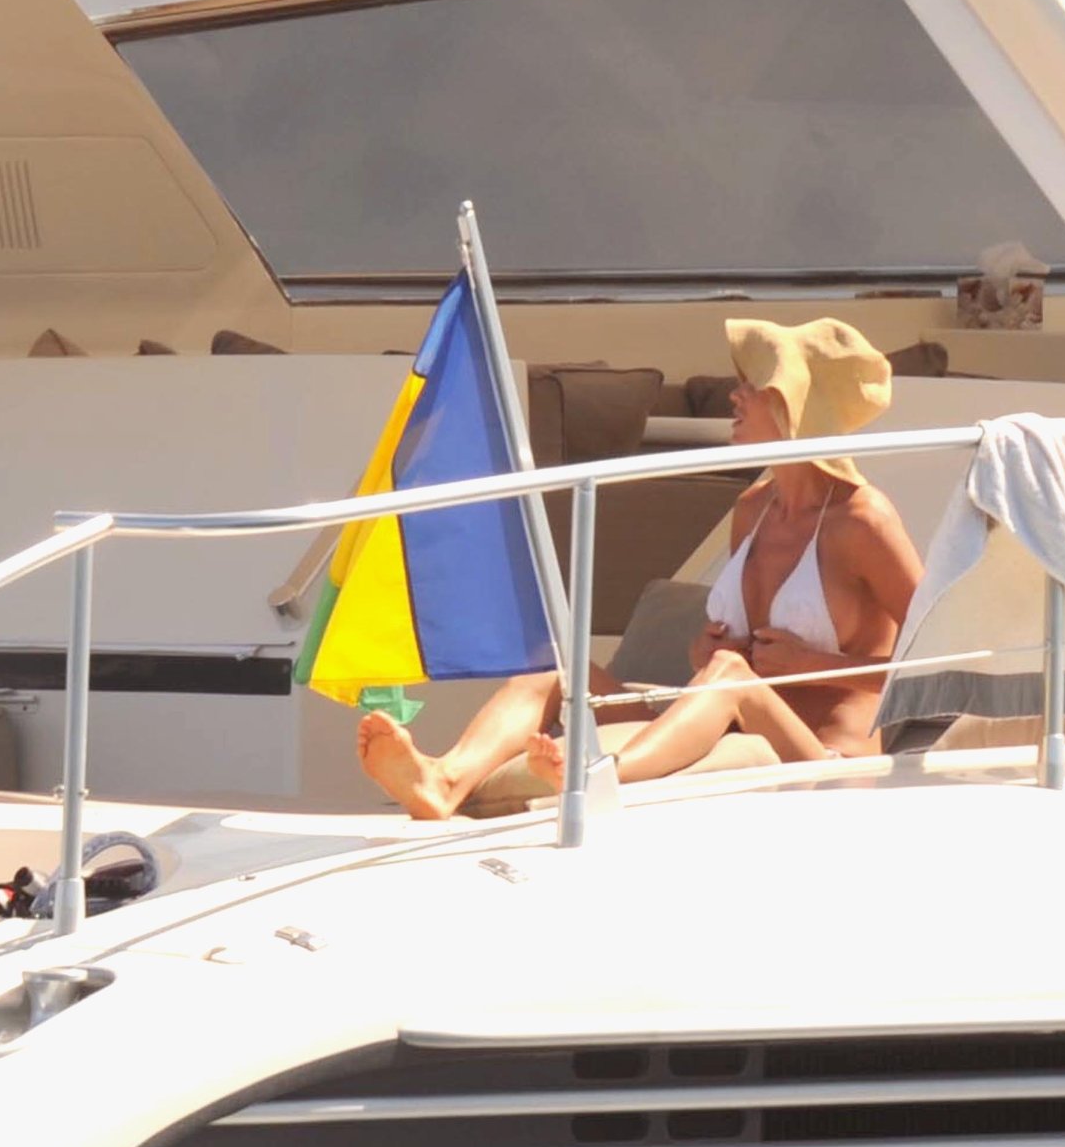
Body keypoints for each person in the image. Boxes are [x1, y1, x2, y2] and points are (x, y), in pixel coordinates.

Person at [357, 317, 923, 818]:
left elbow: (939, 664)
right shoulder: (754, 509)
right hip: (733, 721)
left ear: (793, 405)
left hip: (827, 758)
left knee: (729, 673)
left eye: (752, 385)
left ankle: (597, 778)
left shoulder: (863, 520)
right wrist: (704, 651)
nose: (735, 395)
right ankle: (444, 780)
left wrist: (810, 666)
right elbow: (736, 658)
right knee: (556, 664)